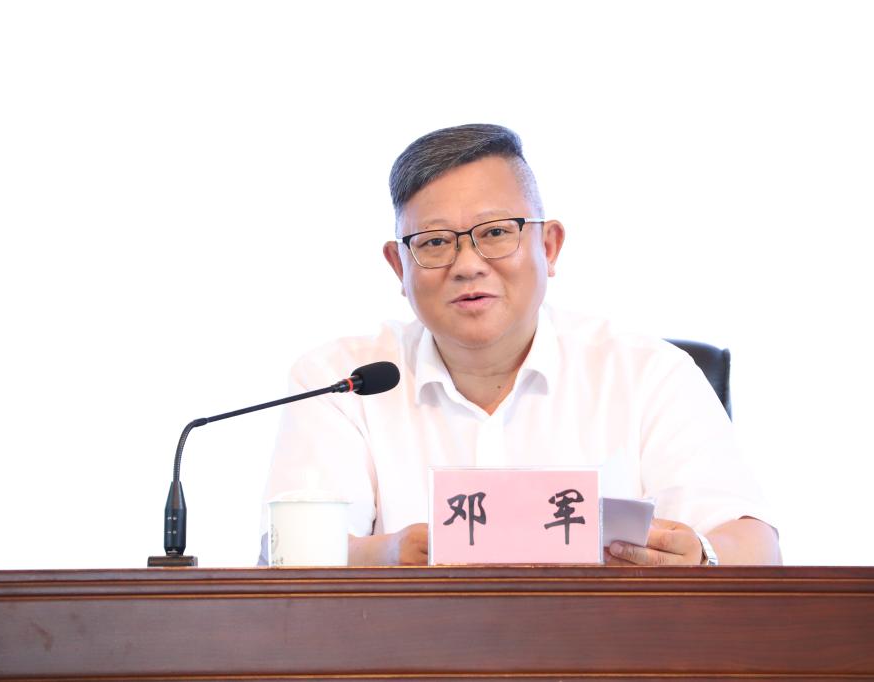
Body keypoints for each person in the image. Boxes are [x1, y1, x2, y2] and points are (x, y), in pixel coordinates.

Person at [260, 123, 780, 566]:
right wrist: (392, 553)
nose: (468, 265)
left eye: (495, 233)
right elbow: (287, 556)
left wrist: (702, 555)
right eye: (435, 242)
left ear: (549, 246)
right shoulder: (341, 381)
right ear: (399, 266)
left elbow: (755, 546)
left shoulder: (648, 373)